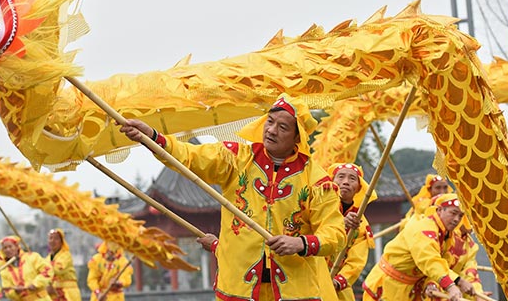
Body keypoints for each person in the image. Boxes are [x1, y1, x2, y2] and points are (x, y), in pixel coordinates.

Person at [120, 93, 346, 300]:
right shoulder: (236, 158)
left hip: (295, 291)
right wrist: (152, 137)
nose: (272, 130)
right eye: (270, 122)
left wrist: (300, 243)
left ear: (298, 137)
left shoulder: (317, 181)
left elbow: (335, 234)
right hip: (237, 289)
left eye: (283, 127)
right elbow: (190, 156)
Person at [362, 193, 476, 301]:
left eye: (460, 216)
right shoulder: (424, 228)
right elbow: (429, 261)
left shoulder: (448, 236)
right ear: (440, 210)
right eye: (453, 213)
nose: (457, 219)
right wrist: (452, 284)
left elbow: (441, 265)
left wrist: (433, 282)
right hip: (387, 285)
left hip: (410, 289)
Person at [325, 163, 376, 301]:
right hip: (310, 276)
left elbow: (356, 260)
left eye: (352, 179)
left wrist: (339, 281)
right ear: (331, 181)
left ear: (359, 187)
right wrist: (341, 223)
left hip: (337, 285)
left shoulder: (361, 224)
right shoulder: (318, 208)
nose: (346, 182)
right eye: (341, 177)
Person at [0, 236, 53, 301]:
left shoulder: (33, 257)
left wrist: (35, 284)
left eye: (10, 246)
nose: (8, 250)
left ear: (17, 247)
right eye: (5, 248)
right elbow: (7, 290)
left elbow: (47, 271)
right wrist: (15, 292)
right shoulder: (4, 269)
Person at [45, 229, 81, 301]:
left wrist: (43, 267)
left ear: (62, 242)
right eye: (51, 238)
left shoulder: (66, 255)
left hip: (68, 293)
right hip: (54, 294)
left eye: (56, 238)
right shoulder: (47, 258)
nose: (53, 241)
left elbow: (58, 269)